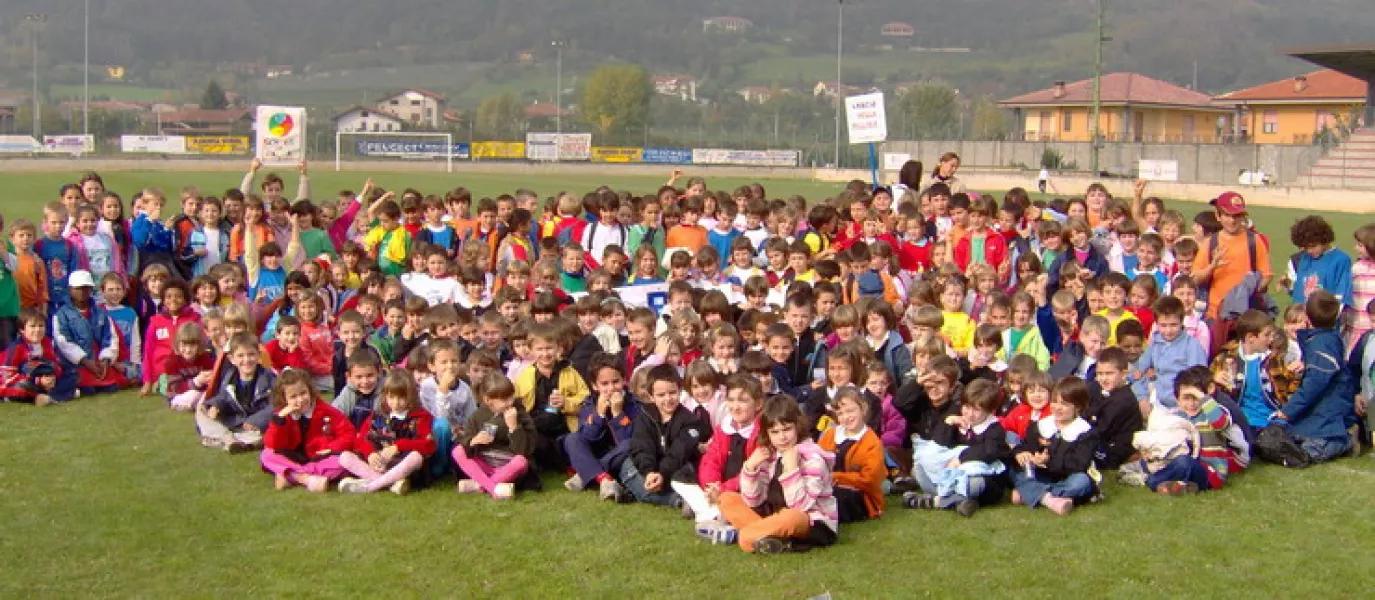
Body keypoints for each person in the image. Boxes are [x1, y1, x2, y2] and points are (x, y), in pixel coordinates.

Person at [713, 394, 839, 554]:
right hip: (772, 515)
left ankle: (746, 536)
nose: (782, 437)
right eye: (775, 432)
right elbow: (753, 501)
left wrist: (792, 468)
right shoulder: (769, 455)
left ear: (797, 427)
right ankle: (769, 537)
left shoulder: (813, 459)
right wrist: (750, 468)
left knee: (791, 517)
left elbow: (800, 507)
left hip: (811, 522)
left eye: (787, 429)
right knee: (727, 499)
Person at [1263, 291, 1356, 467]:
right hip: (1318, 411)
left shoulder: (1323, 344)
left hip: (1330, 413)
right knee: (1282, 439)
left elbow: (1314, 384)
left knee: (1306, 453)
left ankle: (1347, 440)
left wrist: (1288, 411)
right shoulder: (1320, 339)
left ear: (1307, 316)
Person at [338, 368, 436, 495]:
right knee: (344, 457)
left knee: (416, 458)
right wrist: (370, 454)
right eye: (391, 397)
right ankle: (390, 483)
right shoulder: (379, 414)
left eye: (401, 398)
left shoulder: (421, 417)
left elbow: (429, 445)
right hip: (380, 463)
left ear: (411, 396)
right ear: (385, 396)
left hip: (404, 465)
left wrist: (399, 446)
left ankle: (370, 486)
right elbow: (360, 439)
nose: (396, 403)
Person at [1011, 376, 1100, 516]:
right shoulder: (1041, 425)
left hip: (1068, 477)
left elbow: (1078, 465)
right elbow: (1025, 446)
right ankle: (1048, 499)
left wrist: (1048, 461)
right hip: (1042, 475)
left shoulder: (1085, 432)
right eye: (1054, 402)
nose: (1057, 408)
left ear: (1077, 407)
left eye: (1064, 404)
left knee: (1081, 482)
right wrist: (1020, 453)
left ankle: (1029, 493)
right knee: (1015, 471)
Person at [260, 369, 355, 492]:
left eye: (303, 393)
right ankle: (305, 478)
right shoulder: (282, 415)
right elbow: (272, 444)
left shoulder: (326, 411)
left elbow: (349, 434)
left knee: (342, 464)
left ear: (310, 391)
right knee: (266, 455)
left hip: (319, 457)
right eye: (293, 396)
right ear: (284, 399)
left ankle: (289, 475)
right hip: (294, 457)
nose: (300, 400)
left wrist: (332, 448)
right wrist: (279, 420)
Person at [563, 354, 636, 502]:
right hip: (595, 452)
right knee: (571, 438)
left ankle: (586, 474)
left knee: (632, 443)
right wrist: (599, 414)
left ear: (624, 380)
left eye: (616, 382)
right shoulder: (589, 404)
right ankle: (603, 480)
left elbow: (627, 441)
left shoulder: (634, 405)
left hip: (619, 457)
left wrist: (618, 415)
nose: (611, 388)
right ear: (595, 386)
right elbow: (585, 437)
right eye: (604, 384)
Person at [453, 371, 536, 500]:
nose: (509, 402)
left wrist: (514, 427)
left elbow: (523, 451)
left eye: (511, 397)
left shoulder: (519, 413)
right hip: (484, 465)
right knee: (457, 451)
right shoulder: (477, 416)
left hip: (509, 466)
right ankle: (493, 488)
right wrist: (474, 441)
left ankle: (479, 485)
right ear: (488, 400)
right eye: (504, 399)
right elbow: (465, 440)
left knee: (521, 461)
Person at [51, 270, 127, 399]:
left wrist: (105, 359)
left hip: (98, 362)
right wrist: (84, 361)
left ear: (91, 289)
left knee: (112, 386)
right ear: (70, 290)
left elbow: (111, 338)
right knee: (87, 387)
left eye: (85, 288)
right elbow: (64, 343)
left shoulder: (101, 313)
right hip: (75, 364)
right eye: (78, 288)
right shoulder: (61, 315)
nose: (82, 292)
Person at [817, 388, 886, 522]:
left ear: (863, 409)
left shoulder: (872, 442)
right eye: (840, 413)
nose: (846, 417)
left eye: (850, 411)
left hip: (861, 496)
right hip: (828, 486)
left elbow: (869, 479)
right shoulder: (831, 435)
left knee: (837, 497)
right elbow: (817, 460)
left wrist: (836, 477)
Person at [199, 332, 276, 451]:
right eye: (240, 356)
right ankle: (229, 439)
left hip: (255, 426)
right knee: (202, 409)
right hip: (236, 421)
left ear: (258, 356)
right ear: (232, 359)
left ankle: (225, 440)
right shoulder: (230, 377)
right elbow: (223, 397)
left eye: (251, 354)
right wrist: (215, 406)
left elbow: (276, 405)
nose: (246, 360)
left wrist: (257, 420)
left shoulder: (269, 378)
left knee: (265, 434)